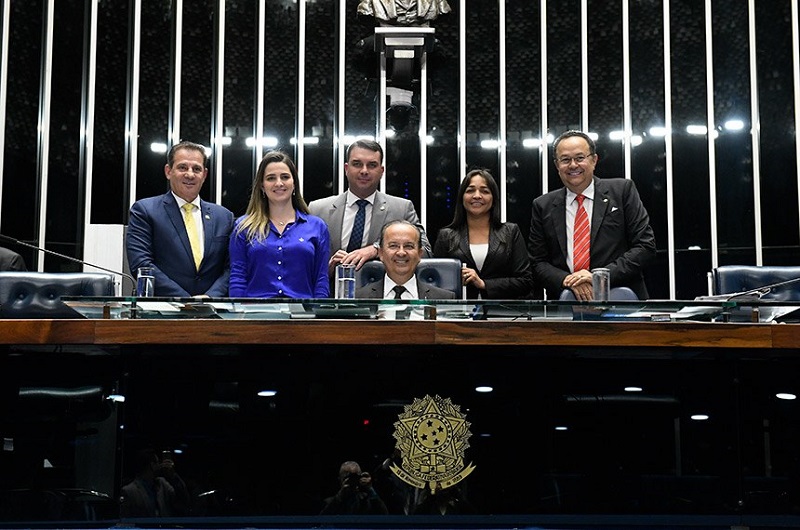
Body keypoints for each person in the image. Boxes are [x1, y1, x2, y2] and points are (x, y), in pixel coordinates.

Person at [527, 130, 656, 300]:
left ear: (594, 160)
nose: (573, 165)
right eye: (565, 160)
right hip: (566, 301)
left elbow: (645, 246)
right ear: (557, 165)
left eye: (580, 158)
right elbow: (537, 262)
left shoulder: (622, 191)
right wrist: (569, 281)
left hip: (623, 298)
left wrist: (598, 277)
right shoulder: (543, 205)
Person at [308, 139, 431, 279]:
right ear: (346, 169)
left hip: (380, 296)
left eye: (372, 165)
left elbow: (425, 251)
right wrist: (326, 269)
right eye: (357, 164)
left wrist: (376, 249)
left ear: (381, 171)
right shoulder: (317, 210)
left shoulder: (402, 208)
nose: (364, 171)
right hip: (331, 294)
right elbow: (303, 261)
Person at [126, 141, 234, 297]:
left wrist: (210, 297)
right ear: (168, 171)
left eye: (196, 169)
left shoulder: (224, 217)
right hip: (163, 310)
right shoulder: (145, 211)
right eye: (182, 167)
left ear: (204, 175)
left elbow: (232, 268)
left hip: (212, 310)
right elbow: (141, 264)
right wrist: (186, 301)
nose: (190, 174)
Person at [228, 151, 330, 298]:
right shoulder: (243, 227)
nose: (279, 183)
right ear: (262, 186)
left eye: (285, 177)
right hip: (255, 314)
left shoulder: (317, 227)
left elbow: (321, 280)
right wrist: (239, 317)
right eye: (271, 178)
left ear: (294, 183)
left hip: (302, 315)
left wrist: (318, 317)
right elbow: (238, 277)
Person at [433, 169, 532, 299]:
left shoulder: (510, 232)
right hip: (457, 314)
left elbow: (526, 281)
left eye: (485, 191)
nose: (477, 196)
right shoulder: (446, 236)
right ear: (462, 197)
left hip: (502, 314)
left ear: (493, 198)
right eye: (470, 190)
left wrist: (484, 284)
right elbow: (435, 283)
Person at [355, 220, 454, 299]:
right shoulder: (358, 298)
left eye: (409, 246)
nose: (401, 253)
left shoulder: (444, 299)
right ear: (381, 253)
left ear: (420, 254)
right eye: (393, 246)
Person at [120, 449, 189, 518]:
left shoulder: (162, 484)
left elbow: (181, 499)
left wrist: (173, 476)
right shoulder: (129, 491)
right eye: (158, 463)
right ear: (152, 465)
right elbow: (126, 519)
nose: (160, 466)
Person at [320, 460, 388, 515]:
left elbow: (384, 516)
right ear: (340, 480)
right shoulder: (330, 502)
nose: (352, 481)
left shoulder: (369, 502)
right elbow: (322, 521)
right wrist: (340, 496)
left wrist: (370, 489)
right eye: (347, 478)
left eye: (355, 478)